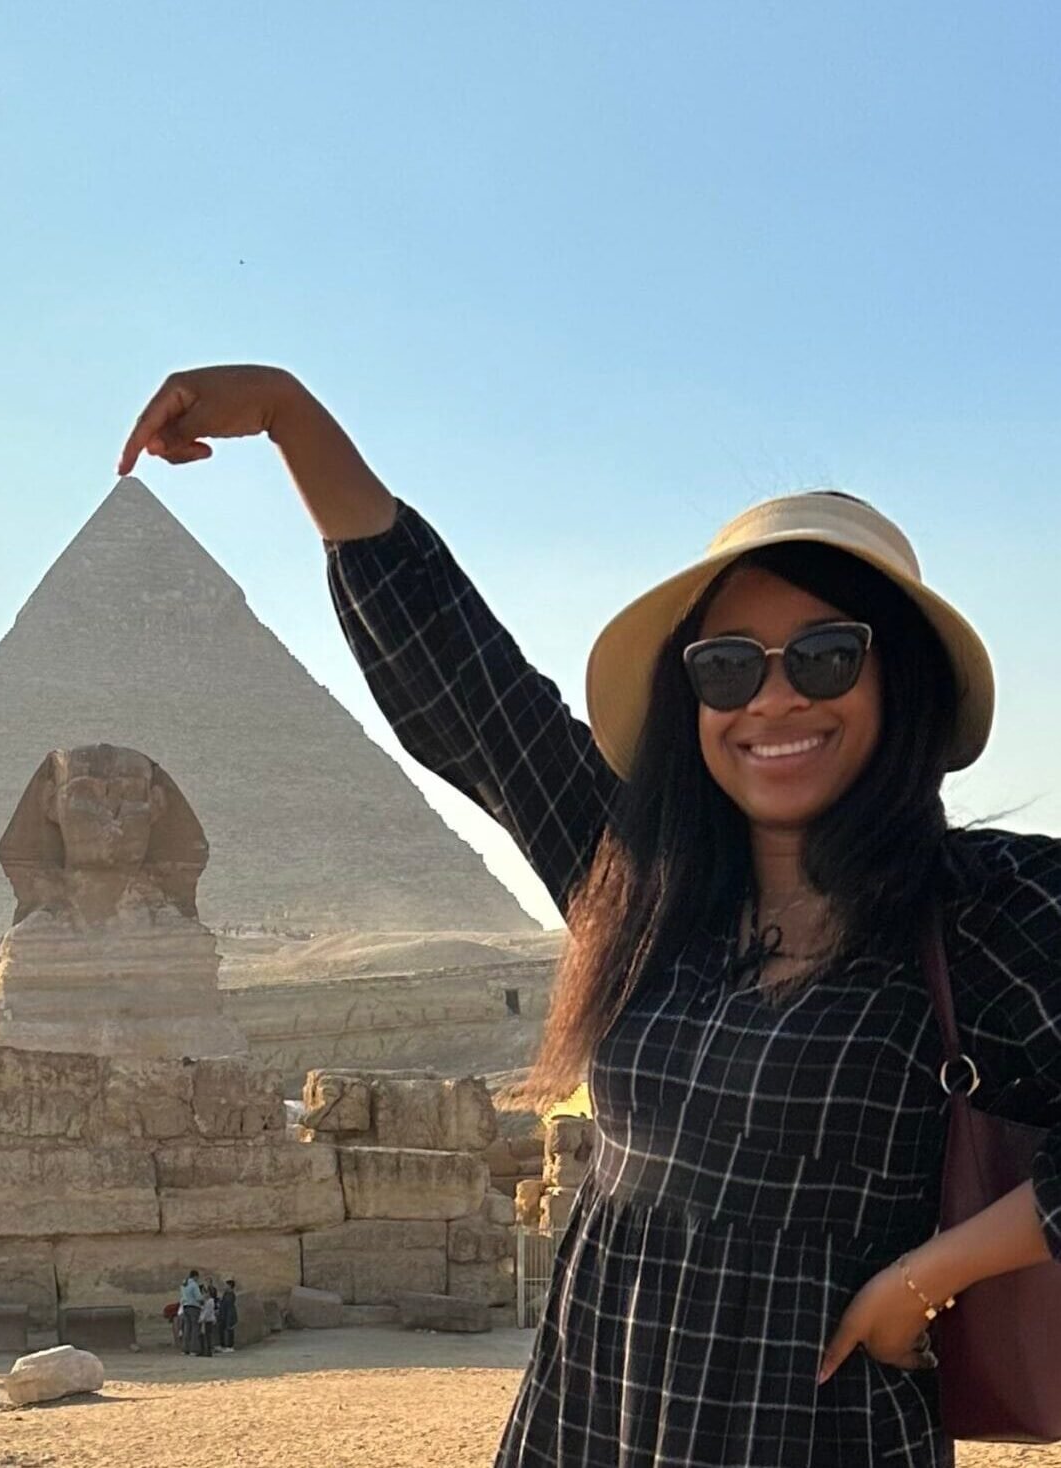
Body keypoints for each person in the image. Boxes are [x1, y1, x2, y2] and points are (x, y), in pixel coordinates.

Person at [120, 366, 1061, 1467]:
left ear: (897, 680)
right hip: (592, 1417)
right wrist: (290, 416)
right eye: (725, 668)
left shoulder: (987, 907)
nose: (772, 698)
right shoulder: (643, 884)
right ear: (687, 698)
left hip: (814, 1430)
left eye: (824, 655)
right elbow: (467, 687)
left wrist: (928, 1274)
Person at [178, 1269, 204, 1356]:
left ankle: (185, 1349)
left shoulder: (184, 1284)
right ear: (195, 1276)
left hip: (185, 1307)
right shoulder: (194, 1285)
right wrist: (203, 1299)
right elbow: (198, 1297)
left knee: (187, 1328)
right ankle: (194, 1349)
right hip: (194, 1307)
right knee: (195, 1329)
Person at [217, 1278, 238, 1352]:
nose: (224, 1286)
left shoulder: (231, 1295)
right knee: (221, 1329)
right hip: (223, 1314)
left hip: (229, 1314)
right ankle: (222, 1345)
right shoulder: (225, 1294)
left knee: (229, 1329)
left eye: (226, 1285)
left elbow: (228, 1306)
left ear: (230, 1286)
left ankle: (230, 1346)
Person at [198, 1289, 217, 1358]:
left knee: (207, 1336)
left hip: (207, 1320)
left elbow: (208, 1311)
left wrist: (202, 1319)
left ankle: (208, 1351)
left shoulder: (210, 1301)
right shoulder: (204, 1301)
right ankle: (202, 1350)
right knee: (202, 1336)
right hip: (203, 1320)